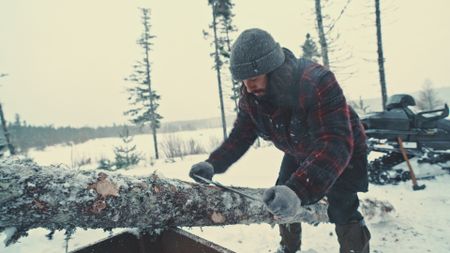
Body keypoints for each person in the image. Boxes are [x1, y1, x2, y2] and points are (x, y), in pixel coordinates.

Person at [189, 28, 370, 253]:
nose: (248, 86)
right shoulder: (252, 97)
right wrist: (213, 163)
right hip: (299, 149)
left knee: (343, 207)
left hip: (343, 151)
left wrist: (300, 190)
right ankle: (288, 248)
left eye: (253, 78)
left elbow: (335, 143)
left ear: (272, 69)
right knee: (280, 198)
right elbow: (241, 134)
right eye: (243, 81)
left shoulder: (316, 81)